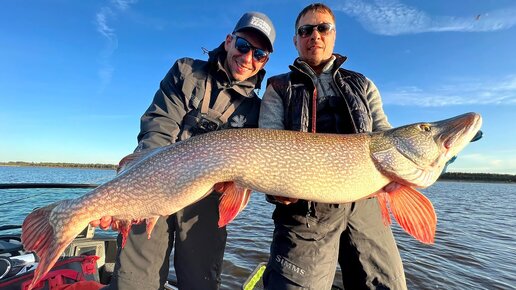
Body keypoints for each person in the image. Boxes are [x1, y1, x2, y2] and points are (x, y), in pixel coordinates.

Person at [100, 12, 276, 290]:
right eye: (243, 46)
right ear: (229, 41)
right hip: (155, 184)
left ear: (265, 60)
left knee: (201, 283)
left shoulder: (257, 109)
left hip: (206, 203)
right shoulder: (186, 72)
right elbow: (158, 128)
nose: (248, 58)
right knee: (133, 282)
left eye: (259, 53)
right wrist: (135, 188)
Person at [258, 3, 407, 289]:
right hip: (304, 212)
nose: (315, 35)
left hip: (366, 204)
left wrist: (412, 162)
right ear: (296, 40)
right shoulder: (278, 87)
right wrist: (278, 190)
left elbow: (385, 135)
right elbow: (268, 143)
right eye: (306, 30)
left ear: (334, 35)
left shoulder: (362, 84)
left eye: (323, 28)